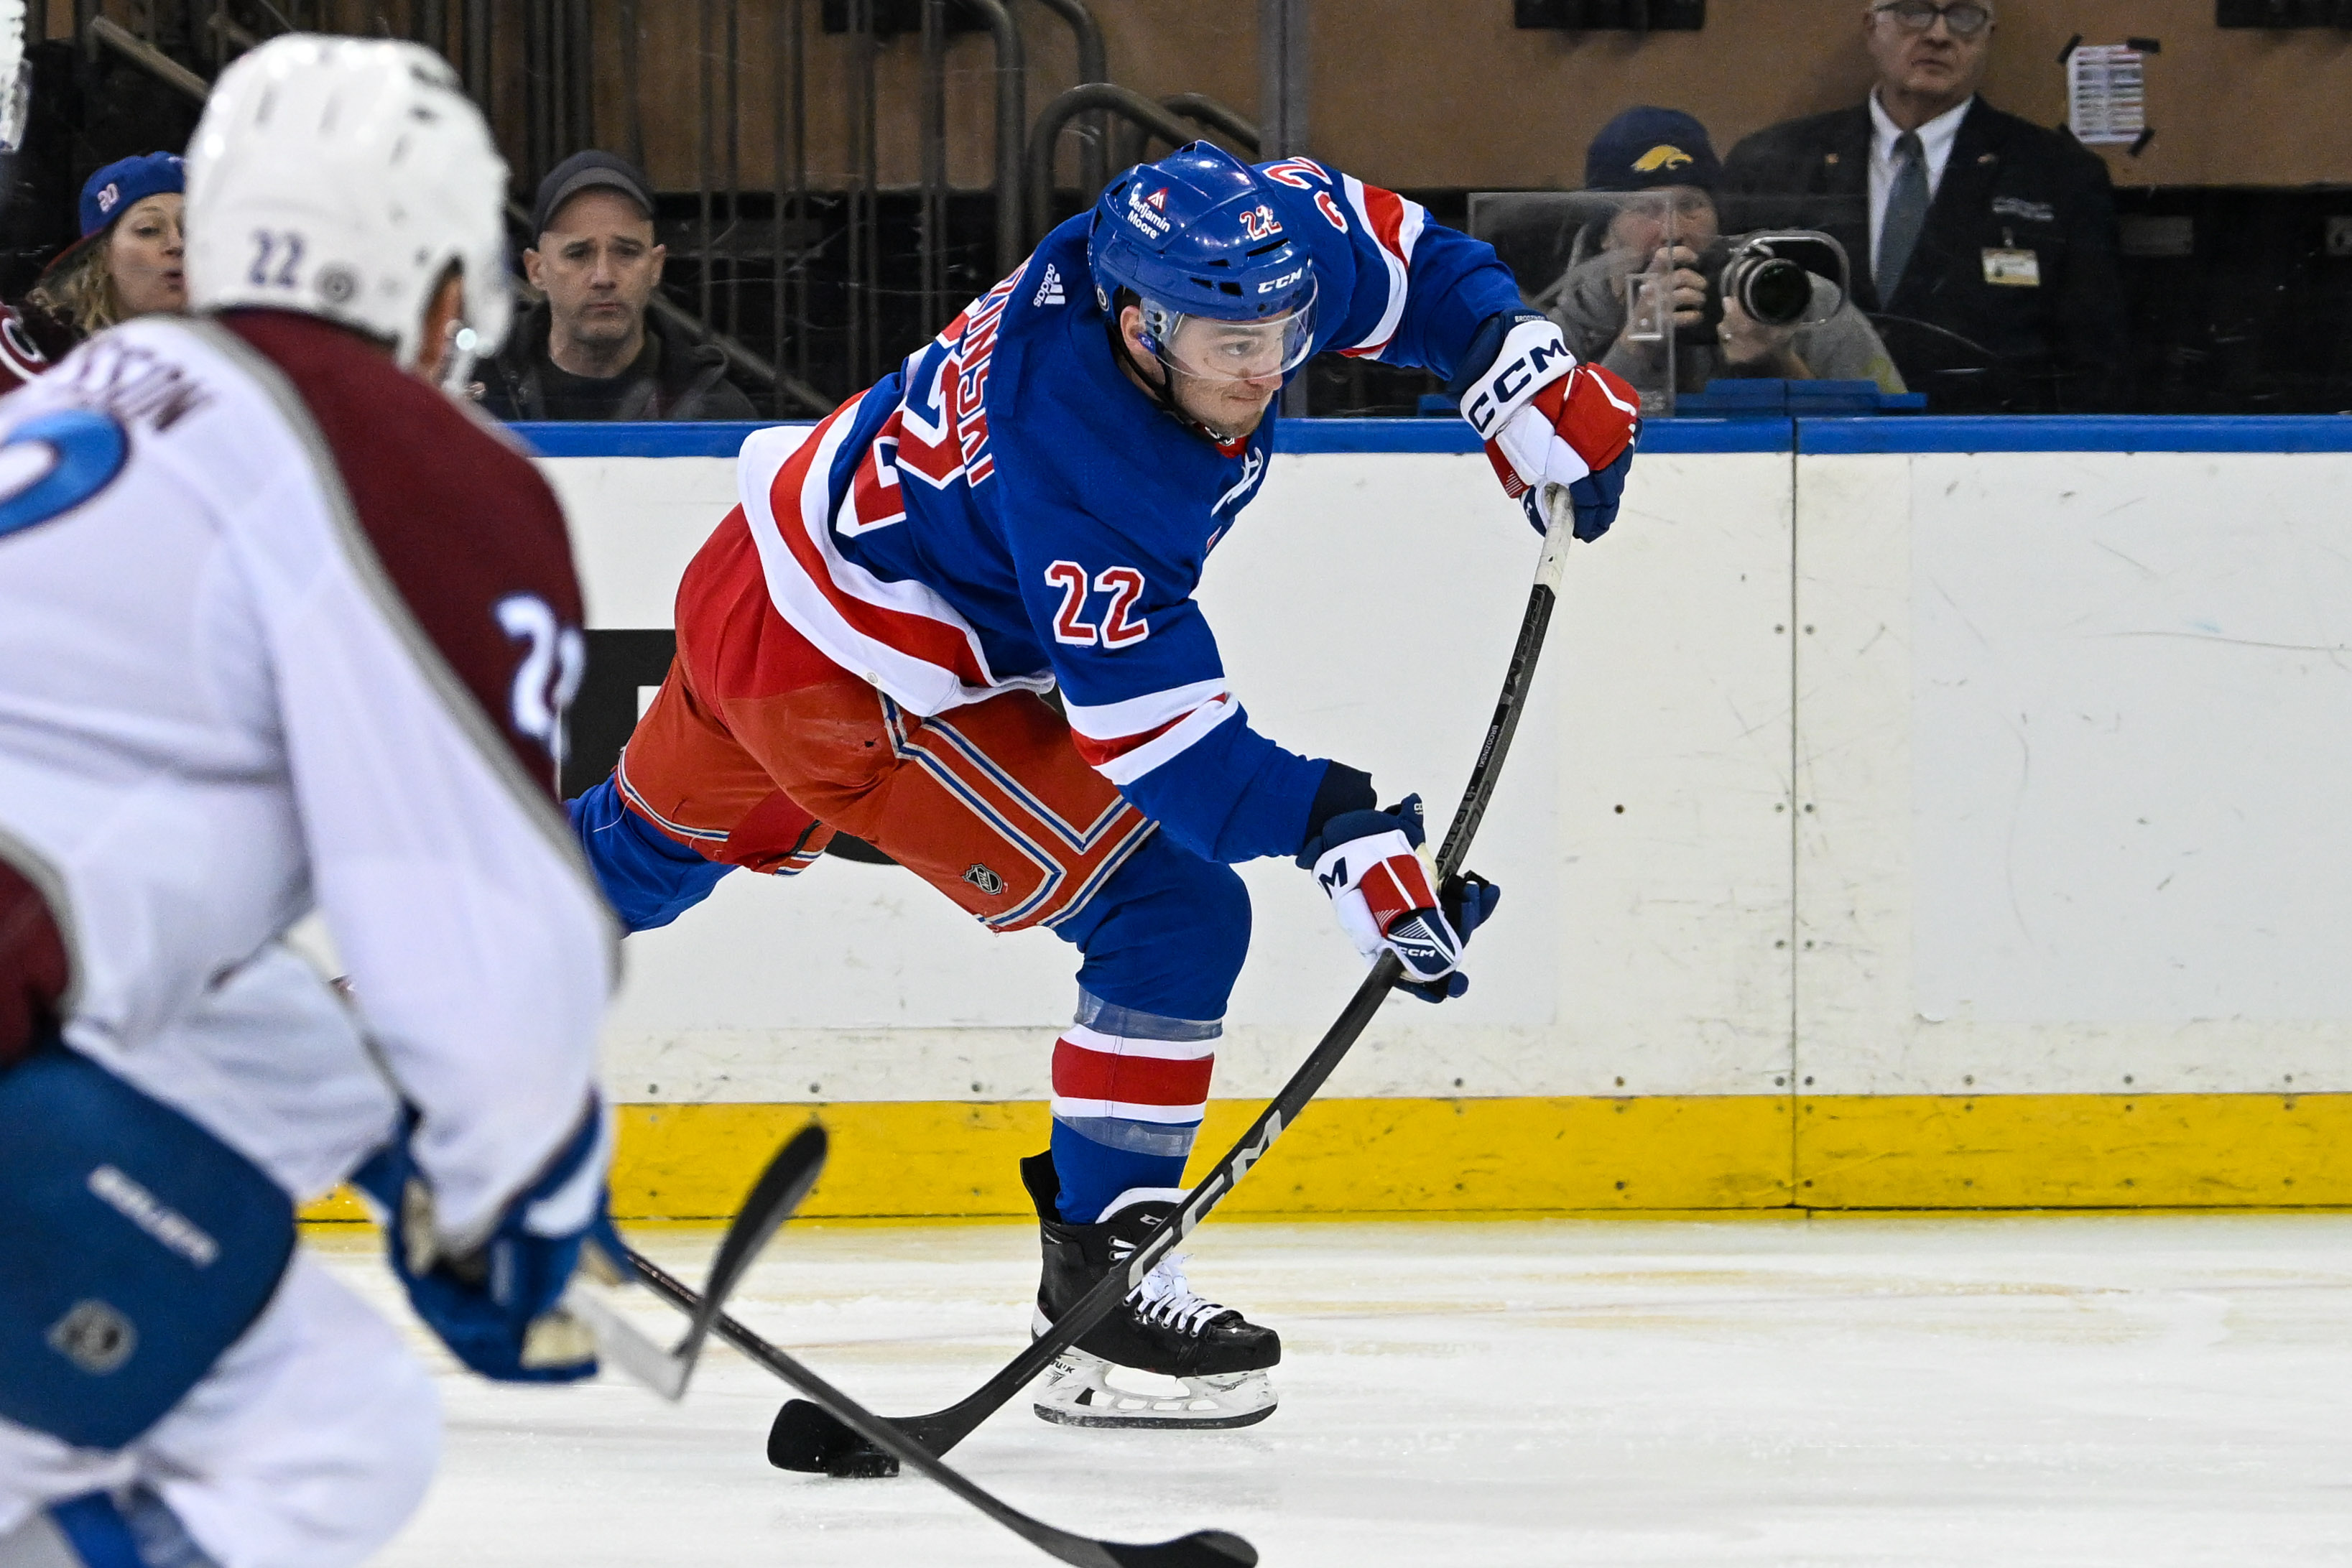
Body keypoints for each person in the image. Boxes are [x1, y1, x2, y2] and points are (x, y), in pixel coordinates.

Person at [563, 142, 1639, 1428]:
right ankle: (1101, 1292)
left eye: (1280, 335)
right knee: (1169, 915)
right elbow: (1161, 746)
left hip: (761, 575)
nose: (1257, 369)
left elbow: (1411, 260)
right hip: (855, 684)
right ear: (1136, 322)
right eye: (1220, 344)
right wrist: (1333, 827)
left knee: (630, 854)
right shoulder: (1081, 452)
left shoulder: (1246, 249)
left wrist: (1510, 367)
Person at [0, 36, 618, 1568]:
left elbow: (153, 928)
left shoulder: (103, 391)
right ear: (435, 258)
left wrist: (393, 1138)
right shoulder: (403, 455)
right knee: (331, 1431)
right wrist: (517, 1180)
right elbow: (471, 902)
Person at [1718, 0, 2128, 412]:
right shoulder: (1772, 165)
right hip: (1806, 449)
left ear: (1989, 35)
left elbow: (2094, 363)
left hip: (1988, 449)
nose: (1938, 34)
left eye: (1964, 16)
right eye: (1913, 11)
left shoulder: (2060, 174)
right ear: (1871, 27)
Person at [1535, 107, 1904, 403]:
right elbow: (1547, 457)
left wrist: (1778, 360)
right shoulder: (1568, 328)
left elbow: (1888, 436)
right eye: (1648, 209)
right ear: (1605, 235)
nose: (1674, 230)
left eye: (1691, 206)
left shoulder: (1794, 297)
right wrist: (1636, 343)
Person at [477, 149, 757, 422]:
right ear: (536, 271)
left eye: (627, 252)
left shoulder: (715, 414)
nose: (603, 277)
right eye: (578, 254)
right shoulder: (476, 400)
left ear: (656, 266)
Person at [22, 153, 185, 345]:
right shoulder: (45, 358)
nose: (178, 244)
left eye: (191, 229)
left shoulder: (226, 355)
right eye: (148, 230)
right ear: (101, 256)